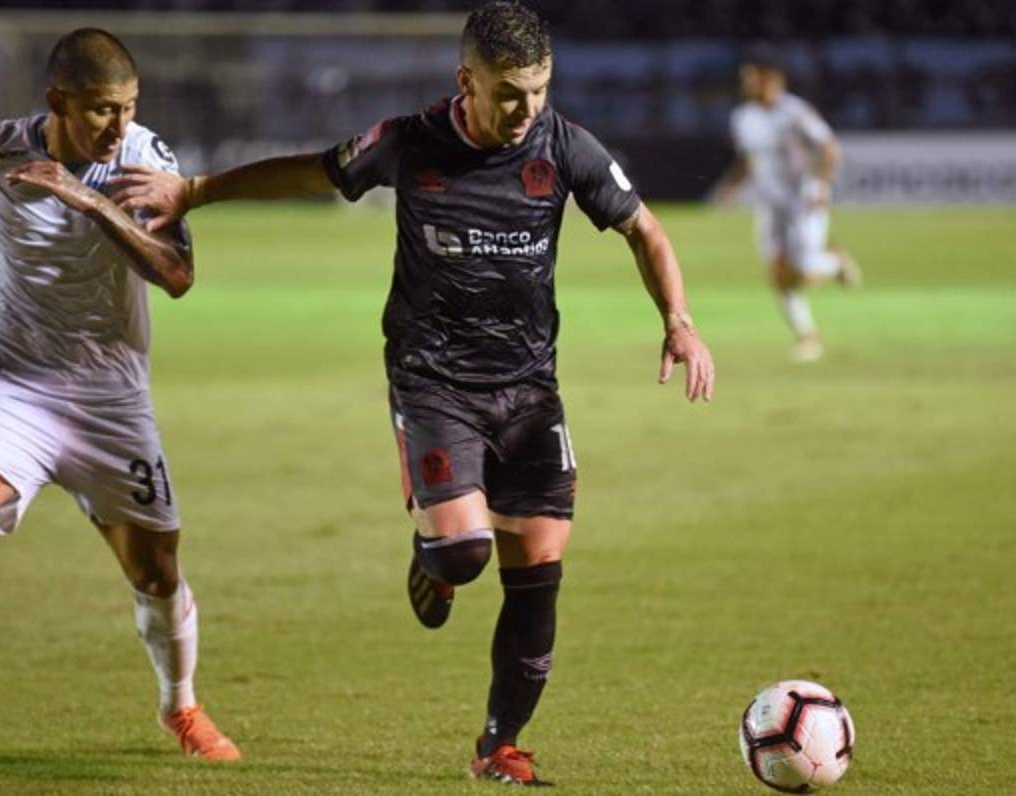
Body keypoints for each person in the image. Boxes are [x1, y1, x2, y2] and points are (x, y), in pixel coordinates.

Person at [111, 1, 713, 784]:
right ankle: (432, 552)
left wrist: (680, 320)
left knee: (537, 565)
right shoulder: (409, 142)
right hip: (432, 381)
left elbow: (646, 229)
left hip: (529, 388)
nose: (526, 109)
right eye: (508, 93)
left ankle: (499, 745)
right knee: (462, 556)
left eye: (538, 90)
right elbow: (313, 170)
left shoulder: (566, 147)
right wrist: (193, 191)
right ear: (467, 81)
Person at [0, 28, 239, 762]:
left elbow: (177, 275)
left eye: (128, 108)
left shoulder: (144, 162)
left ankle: (181, 707)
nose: (118, 126)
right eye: (101, 110)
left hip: (111, 403)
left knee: (156, 573)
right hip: (9, 384)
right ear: (57, 102)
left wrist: (90, 203)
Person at [716, 45, 861, 363]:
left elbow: (829, 147)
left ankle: (833, 263)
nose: (746, 83)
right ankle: (807, 336)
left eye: (751, 77)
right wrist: (731, 187)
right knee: (778, 273)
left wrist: (822, 185)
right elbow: (747, 160)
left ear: (770, 78)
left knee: (804, 274)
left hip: (803, 201)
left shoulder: (794, 112)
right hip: (770, 205)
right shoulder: (742, 117)